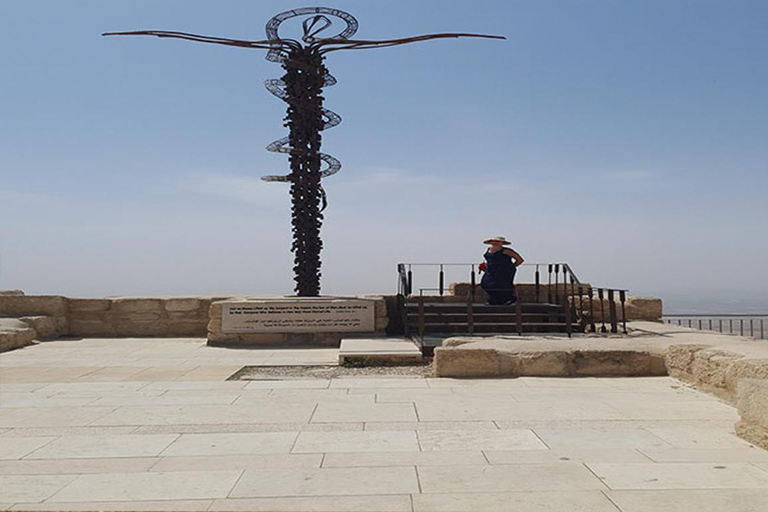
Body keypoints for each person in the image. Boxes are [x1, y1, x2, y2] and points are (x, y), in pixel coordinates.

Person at [479, 236, 524, 305]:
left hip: (504, 271)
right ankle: (494, 300)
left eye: (497, 241)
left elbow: (520, 260)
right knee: (485, 283)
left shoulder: (507, 251)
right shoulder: (489, 249)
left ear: (501, 243)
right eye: (494, 241)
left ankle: (507, 300)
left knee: (503, 285)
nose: (495, 242)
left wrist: (511, 267)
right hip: (491, 271)